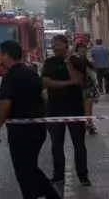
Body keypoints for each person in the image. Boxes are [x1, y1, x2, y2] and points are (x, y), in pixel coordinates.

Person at [0, 39, 62, 199]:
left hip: (21, 132)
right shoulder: (31, 72)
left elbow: (5, 104)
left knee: (24, 170)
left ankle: (50, 196)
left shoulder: (10, 76)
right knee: (29, 168)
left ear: (6, 55)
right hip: (38, 129)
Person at [41, 33, 89, 187]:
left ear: (67, 47)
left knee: (79, 143)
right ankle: (58, 175)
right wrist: (68, 83)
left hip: (74, 107)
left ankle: (83, 176)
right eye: (54, 48)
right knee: (56, 144)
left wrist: (68, 64)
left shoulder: (77, 62)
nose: (57, 51)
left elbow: (79, 80)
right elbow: (46, 82)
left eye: (60, 48)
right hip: (54, 108)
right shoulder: (49, 62)